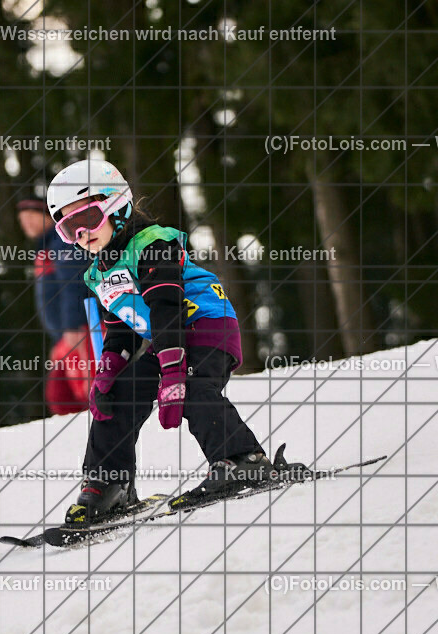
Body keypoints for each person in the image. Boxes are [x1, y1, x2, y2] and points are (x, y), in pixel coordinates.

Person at [46, 159, 291, 525]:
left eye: (88, 220)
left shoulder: (153, 243)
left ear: (118, 206)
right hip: (167, 340)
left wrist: (173, 370)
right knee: (117, 396)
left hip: (206, 327)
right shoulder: (100, 271)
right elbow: (121, 326)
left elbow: (165, 306)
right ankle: (108, 483)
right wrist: (109, 372)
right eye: (69, 229)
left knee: (193, 385)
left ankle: (243, 460)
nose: (82, 235)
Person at [16, 197, 93, 415]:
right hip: (62, 337)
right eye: (22, 220)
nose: (26, 224)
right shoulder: (46, 247)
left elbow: (74, 283)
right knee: (63, 398)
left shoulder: (63, 242)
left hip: (80, 331)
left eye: (31, 217)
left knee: (83, 392)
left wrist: (73, 326)